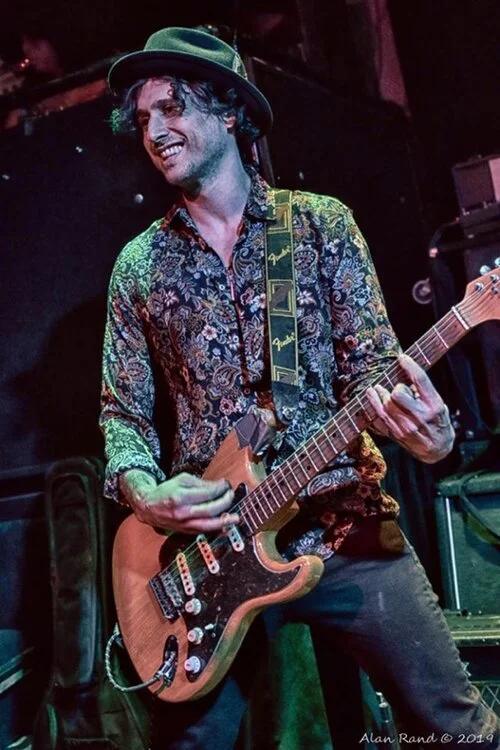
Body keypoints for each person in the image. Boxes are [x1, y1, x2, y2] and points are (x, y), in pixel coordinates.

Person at [100, 27, 500, 749]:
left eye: (173, 108)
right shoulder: (138, 266)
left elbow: (377, 372)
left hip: (343, 527)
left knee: (458, 731)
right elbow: (122, 412)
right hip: (211, 554)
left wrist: (430, 434)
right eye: (144, 118)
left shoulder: (320, 225)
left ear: (229, 111)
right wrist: (144, 492)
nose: (154, 132)